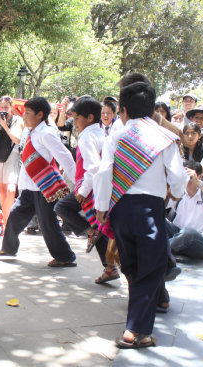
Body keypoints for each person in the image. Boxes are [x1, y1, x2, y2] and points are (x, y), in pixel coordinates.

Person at [94, 80, 188, 349]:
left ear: (122, 110)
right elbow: (178, 178)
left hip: (120, 209)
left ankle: (136, 322)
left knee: (132, 265)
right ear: (152, 109)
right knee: (152, 267)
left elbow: (104, 174)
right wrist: (177, 195)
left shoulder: (115, 136)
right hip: (150, 210)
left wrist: (101, 208)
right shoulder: (163, 137)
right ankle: (136, 331)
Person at [0, 97, 77, 267]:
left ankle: (65, 256)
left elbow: (64, 156)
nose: (24, 116)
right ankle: (8, 248)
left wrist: (78, 180)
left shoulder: (46, 133)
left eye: (28, 113)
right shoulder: (31, 131)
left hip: (43, 187)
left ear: (40, 114)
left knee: (48, 224)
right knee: (15, 217)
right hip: (30, 188)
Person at [54, 96, 118, 283]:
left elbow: (94, 168)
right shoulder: (101, 133)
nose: (74, 123)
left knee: (61, 208)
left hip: (90, 189)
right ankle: (109, 267)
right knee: (99, 227)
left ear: (89, 117)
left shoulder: (87, 137)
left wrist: (82, 192)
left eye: (76, 118)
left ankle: (91, 234)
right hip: (97, 187)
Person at [166, 161, 203, 258]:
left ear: (199, 176)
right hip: (178, 235)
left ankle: (160, 251)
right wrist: (171, 187)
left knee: (188, 232)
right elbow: (160, 208)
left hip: (200, 243)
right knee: (157, 220)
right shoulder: (179, 192)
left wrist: (197, 182)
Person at [0, 95, 25, 226]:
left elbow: (17, 139)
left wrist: (5, 126)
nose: (3, 109)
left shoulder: (18, 120)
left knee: (11, 190)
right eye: (1, 107)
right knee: (2, 193)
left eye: (6, 107)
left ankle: (8, 222)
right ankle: (6, 224)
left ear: (11, 107)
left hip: (12, 157)